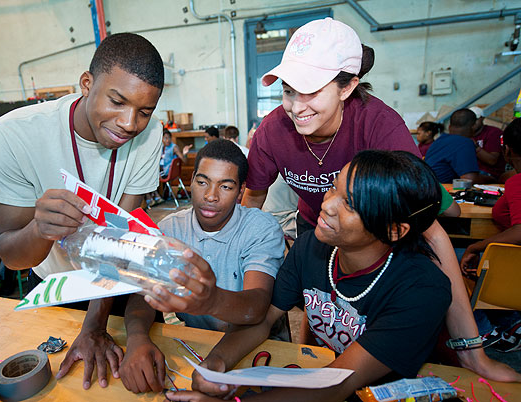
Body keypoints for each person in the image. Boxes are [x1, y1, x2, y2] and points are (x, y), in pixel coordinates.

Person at [241, 17, 519, 382]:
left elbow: (429, 227)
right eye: (289, 90)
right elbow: (253, 198)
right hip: (318, 229)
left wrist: (473, 353)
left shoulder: (378, 125)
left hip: (380, 236)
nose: (296, 107)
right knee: (322, 314)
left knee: (388, 321)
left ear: (347, 87)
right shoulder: (274, 130)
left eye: (310, 91)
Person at [167, 150, 453, 402]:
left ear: (394, 230)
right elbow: (263, 319)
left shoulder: (422, 290)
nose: (327, 205)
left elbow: (338, 385)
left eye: (350, 204)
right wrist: (217, 362)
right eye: (333, 189)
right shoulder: (312, 248)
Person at [0, 33, 165, 389]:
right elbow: (12, 255)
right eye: (117, 101)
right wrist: (39, 230)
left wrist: (94, 325)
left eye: (144, 111)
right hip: (55, 288)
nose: (129, 123)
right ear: (86, 83)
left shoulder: (149, 133)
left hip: (116, 287)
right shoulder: (12, 135)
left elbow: (120, 245)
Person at [118, 139, 285, 393]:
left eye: (226, 186)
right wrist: (137, 338)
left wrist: (209, 300)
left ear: (241, 192)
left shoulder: (261, 228)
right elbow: (144, 295)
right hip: (202, 346)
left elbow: (256, 305)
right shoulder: (169, 229)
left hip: (262, 346)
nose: (210, 196)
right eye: (202, 182)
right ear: (192, 180)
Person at [461, 118, 521, 351]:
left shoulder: (517, 183)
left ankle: (484, 332)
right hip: (510, 265)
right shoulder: (512, 182)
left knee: (447, 260)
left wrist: (474, 247)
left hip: (511, 269)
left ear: (507, 150)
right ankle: (511, 322)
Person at [425, 109, 493, 184]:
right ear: (473, 127)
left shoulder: (439, 141)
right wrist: (491, 180)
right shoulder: (465, 142)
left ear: (450, 126)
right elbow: (469, 180)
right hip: (440, 191)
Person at [470, 106, 506, 181]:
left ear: (482, 118)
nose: (472, 122)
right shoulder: (466, 134)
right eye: (469, 120)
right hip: (472, 172)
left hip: (490, 174)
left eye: (475, 119)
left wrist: (474, 146)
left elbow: (492, 160)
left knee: (470, 178)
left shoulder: (494, 133)